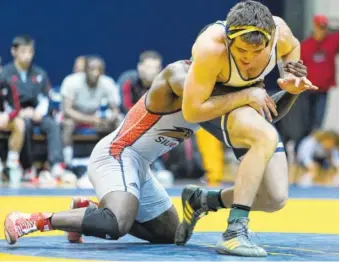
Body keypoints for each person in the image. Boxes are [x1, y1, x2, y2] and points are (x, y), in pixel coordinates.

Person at [4, 58, 306, 247]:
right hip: (116, 154)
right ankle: (37, 219)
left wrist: (290, 90)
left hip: (140, 165)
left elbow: (264, 117)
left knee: (169, 233)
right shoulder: (179, 74)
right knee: (117, 224)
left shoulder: (220, 97)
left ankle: (90, 209)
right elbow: (201, 95)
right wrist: (245, 94)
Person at [175, 0, 317, 257]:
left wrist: (291, 74)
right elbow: (192, 111)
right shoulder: (211, 47)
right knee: (265, 135)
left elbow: (293, 46)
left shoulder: (281, 33)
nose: (248, 59)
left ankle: (201, 200)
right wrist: (246, 95)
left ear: (271, 38)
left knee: (275, 199)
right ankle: (234, 232)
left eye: (256, 51)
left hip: (249, 104)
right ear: (229, 40)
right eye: (241, 50)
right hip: (213, 101)